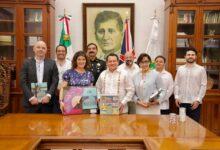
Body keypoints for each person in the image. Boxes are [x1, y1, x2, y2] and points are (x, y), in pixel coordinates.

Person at [20, 40, 59, 113]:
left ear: (46, 50)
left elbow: (55, 81)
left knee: (47, 124)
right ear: (34, 49)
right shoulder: (26, 63)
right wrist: (31, 97)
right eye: (38, 47)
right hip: (30, 103)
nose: (41, 49)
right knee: (30, 124)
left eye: (43, 48)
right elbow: (23, 82)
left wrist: (48, 95)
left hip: (47, 103)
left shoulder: (52, 63)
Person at [174, 48, 207, 122]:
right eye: (188, 55)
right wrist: (176, 97)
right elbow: (176, 84)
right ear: (185, 56)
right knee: (181, 126)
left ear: (195, 57)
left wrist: (198, 100)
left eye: (192, 55)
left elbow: (203, 85)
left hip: (194, 103)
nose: (190, 56)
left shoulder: (201, 69)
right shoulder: (180, 69)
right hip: (181, 102)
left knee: (194, 127)